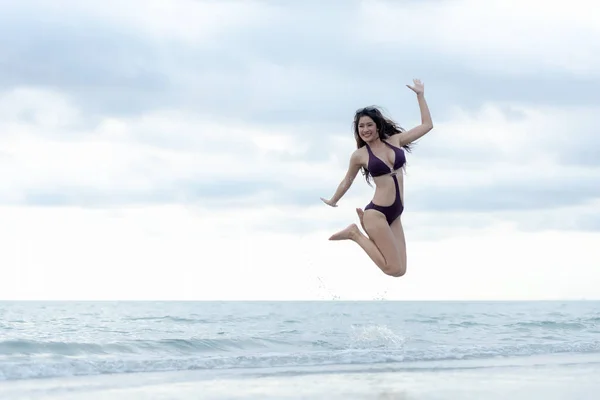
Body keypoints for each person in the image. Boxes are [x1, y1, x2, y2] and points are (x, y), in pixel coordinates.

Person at [320, 79, 433, 277]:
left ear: (378, 126)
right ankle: (354, 233)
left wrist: (420, 96)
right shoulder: (360, 155)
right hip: (377, 213)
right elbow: (347, 180)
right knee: (391, 268)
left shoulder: (396, 140)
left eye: (369, 125)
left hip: (396, 213)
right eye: (361, 126)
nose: (365, 130)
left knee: (400, 271)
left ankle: (357, 232)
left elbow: (427, 125)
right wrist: (333, 200)